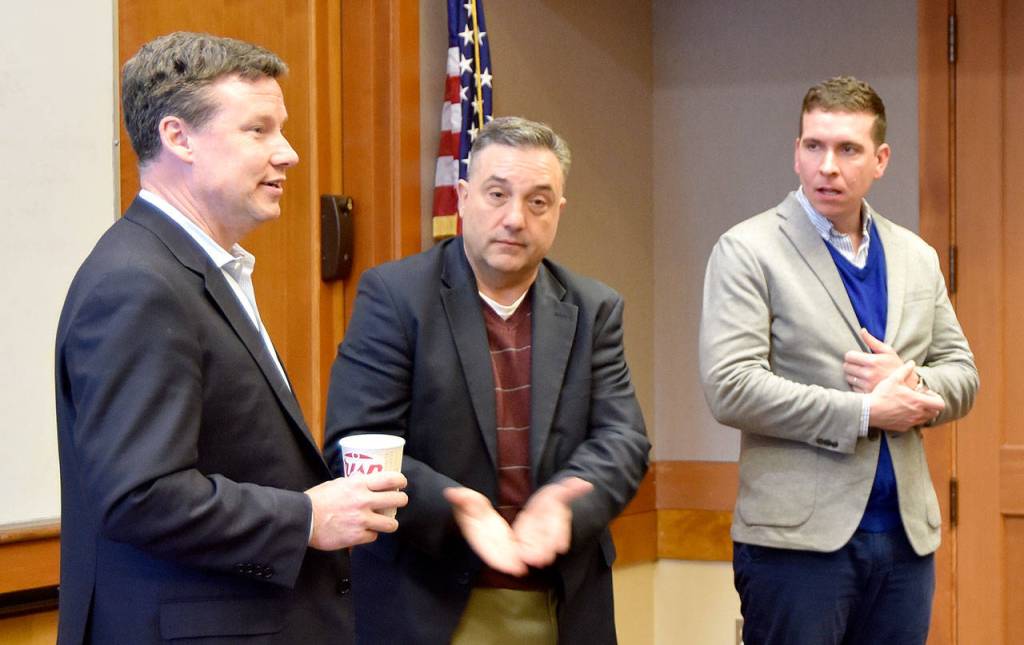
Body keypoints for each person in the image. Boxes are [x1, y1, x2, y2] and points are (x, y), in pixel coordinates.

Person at [54, 31, 407, 644]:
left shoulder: (193, 266)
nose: (289, 152)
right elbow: (142, 497)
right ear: (178, 137)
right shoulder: (139, 283)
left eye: (283, 129)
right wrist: (307, 517)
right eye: (259, 130)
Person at [324, 116, 649, 644]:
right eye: (497, 194)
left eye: (537, 202)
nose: (515, 218)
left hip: (563, 602)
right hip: (430, 598)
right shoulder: (397, 297)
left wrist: (566, 499)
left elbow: (624, 439)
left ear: (558, 212)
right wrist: (459, 507)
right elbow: (353, 444)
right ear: (463, 197)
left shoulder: (593, 308)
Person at [699, 76, 979, 644]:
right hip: (796, 547)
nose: (828, 165)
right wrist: (865, 412)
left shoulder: (916, 257)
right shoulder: (748, 249)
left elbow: (963, 374)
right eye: (813, 146)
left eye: (847, 149)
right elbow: (731, 385)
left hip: (905, 542)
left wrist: (910, 381)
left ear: (880, 160)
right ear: (796, 153)